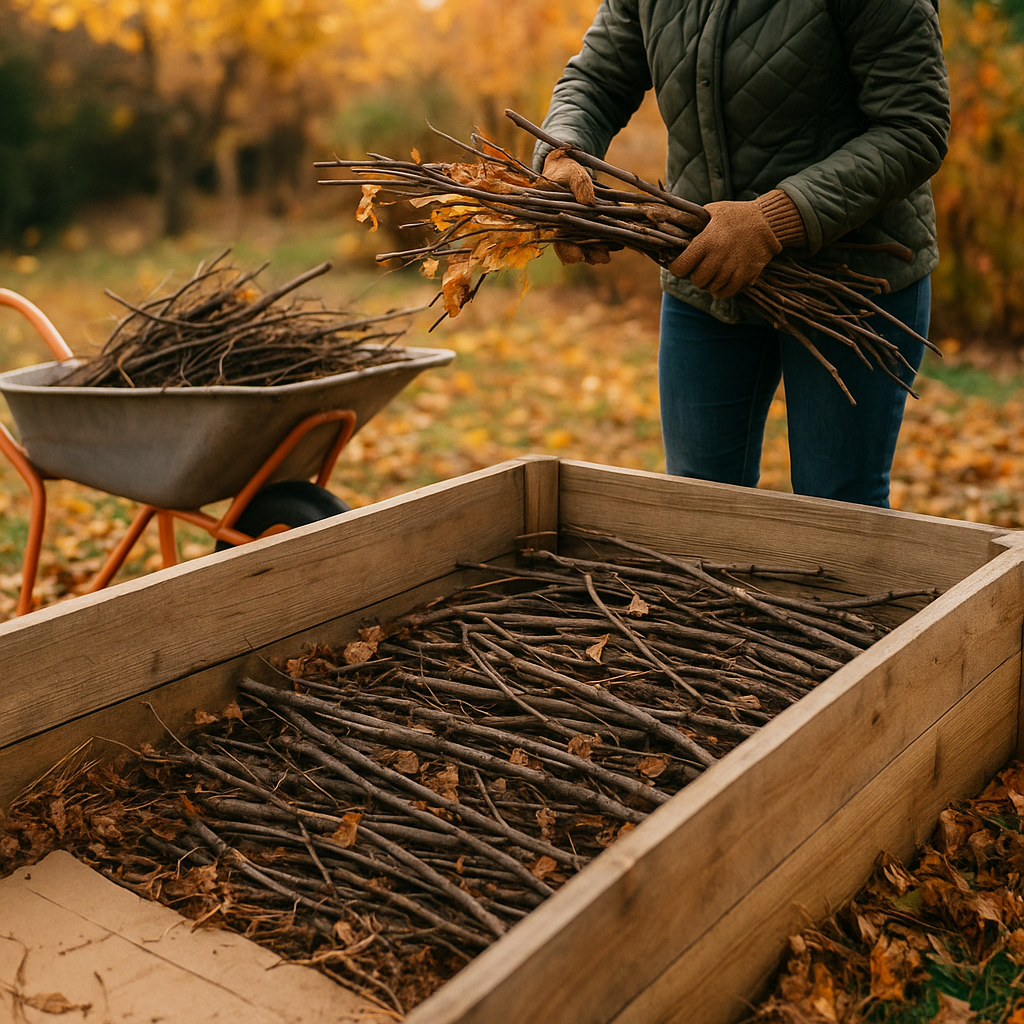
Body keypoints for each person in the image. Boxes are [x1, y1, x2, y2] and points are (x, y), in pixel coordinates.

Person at [533, 0, 950, 507]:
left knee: (838, 507)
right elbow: (596, 80)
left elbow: (914, 126)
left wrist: (772, 219)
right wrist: (561, 154)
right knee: (698, 504)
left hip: (852, 280)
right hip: (708, 273)